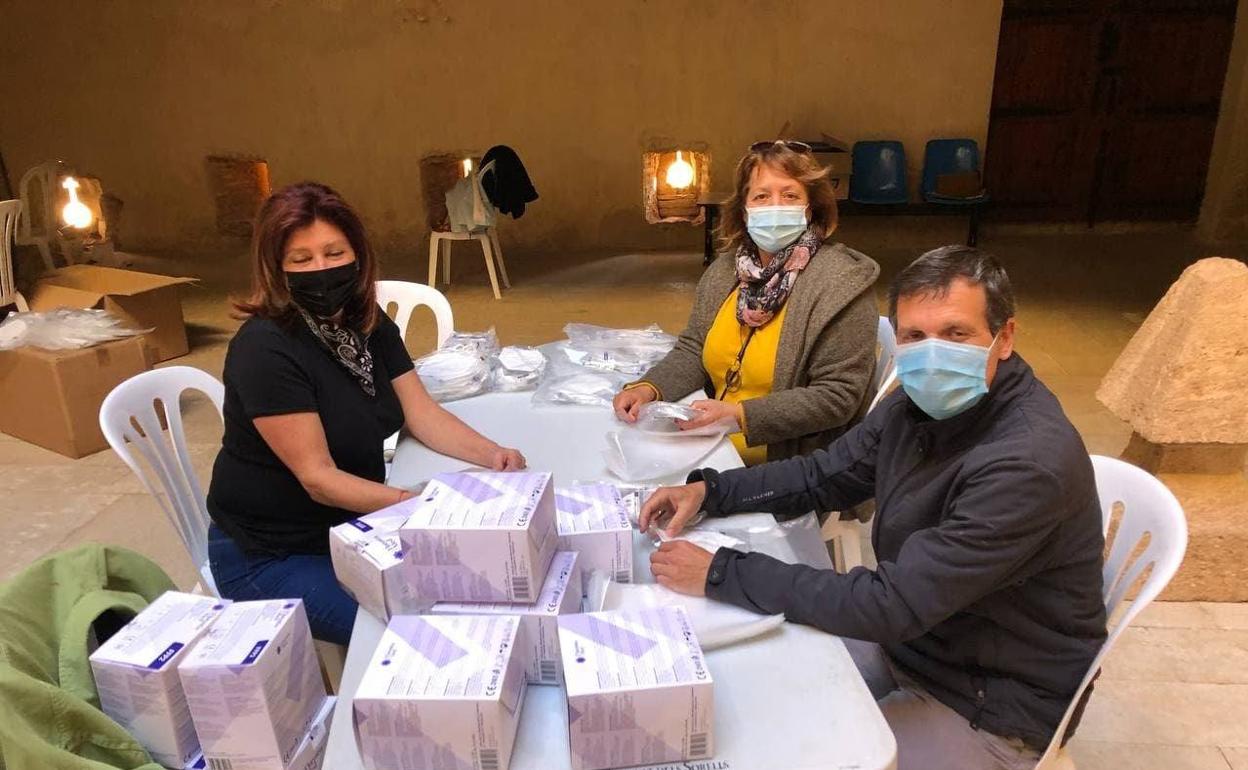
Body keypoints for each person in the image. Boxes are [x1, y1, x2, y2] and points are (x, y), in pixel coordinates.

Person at [639, 246, 1108, 770]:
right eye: (914, 336)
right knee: (752, 698)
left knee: (791, 755)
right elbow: (827, 474)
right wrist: (711, 492)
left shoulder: (1026, 463)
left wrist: (721, 571)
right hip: (920, 644)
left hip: (989, 699)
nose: (932, 355)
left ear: (1006, 338)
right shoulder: (916, 405)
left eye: (956, 334)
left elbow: (892, 605)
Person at [206, 182, 526, 645]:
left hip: (351, 527)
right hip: (272, 553)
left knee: (470, 589)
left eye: (334, 253)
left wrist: (492, 455)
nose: (321, 269)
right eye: (302, 259)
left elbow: (419, 412)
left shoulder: (364, 321)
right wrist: (414, 505)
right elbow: (318, 478)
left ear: (357, 253)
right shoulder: (265, 349)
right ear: (276, 268)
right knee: (416, 632)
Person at [612, 140, 879, 466]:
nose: (775, 206)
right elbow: (694, 348)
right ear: (744, 209)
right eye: (762, 196)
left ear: (811, 210)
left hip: (784, 463)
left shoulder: (841, 283)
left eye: (790, 195)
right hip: (706, 441)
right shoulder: (727, 271)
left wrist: (740, 416)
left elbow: (838, 396)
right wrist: (649, 388)